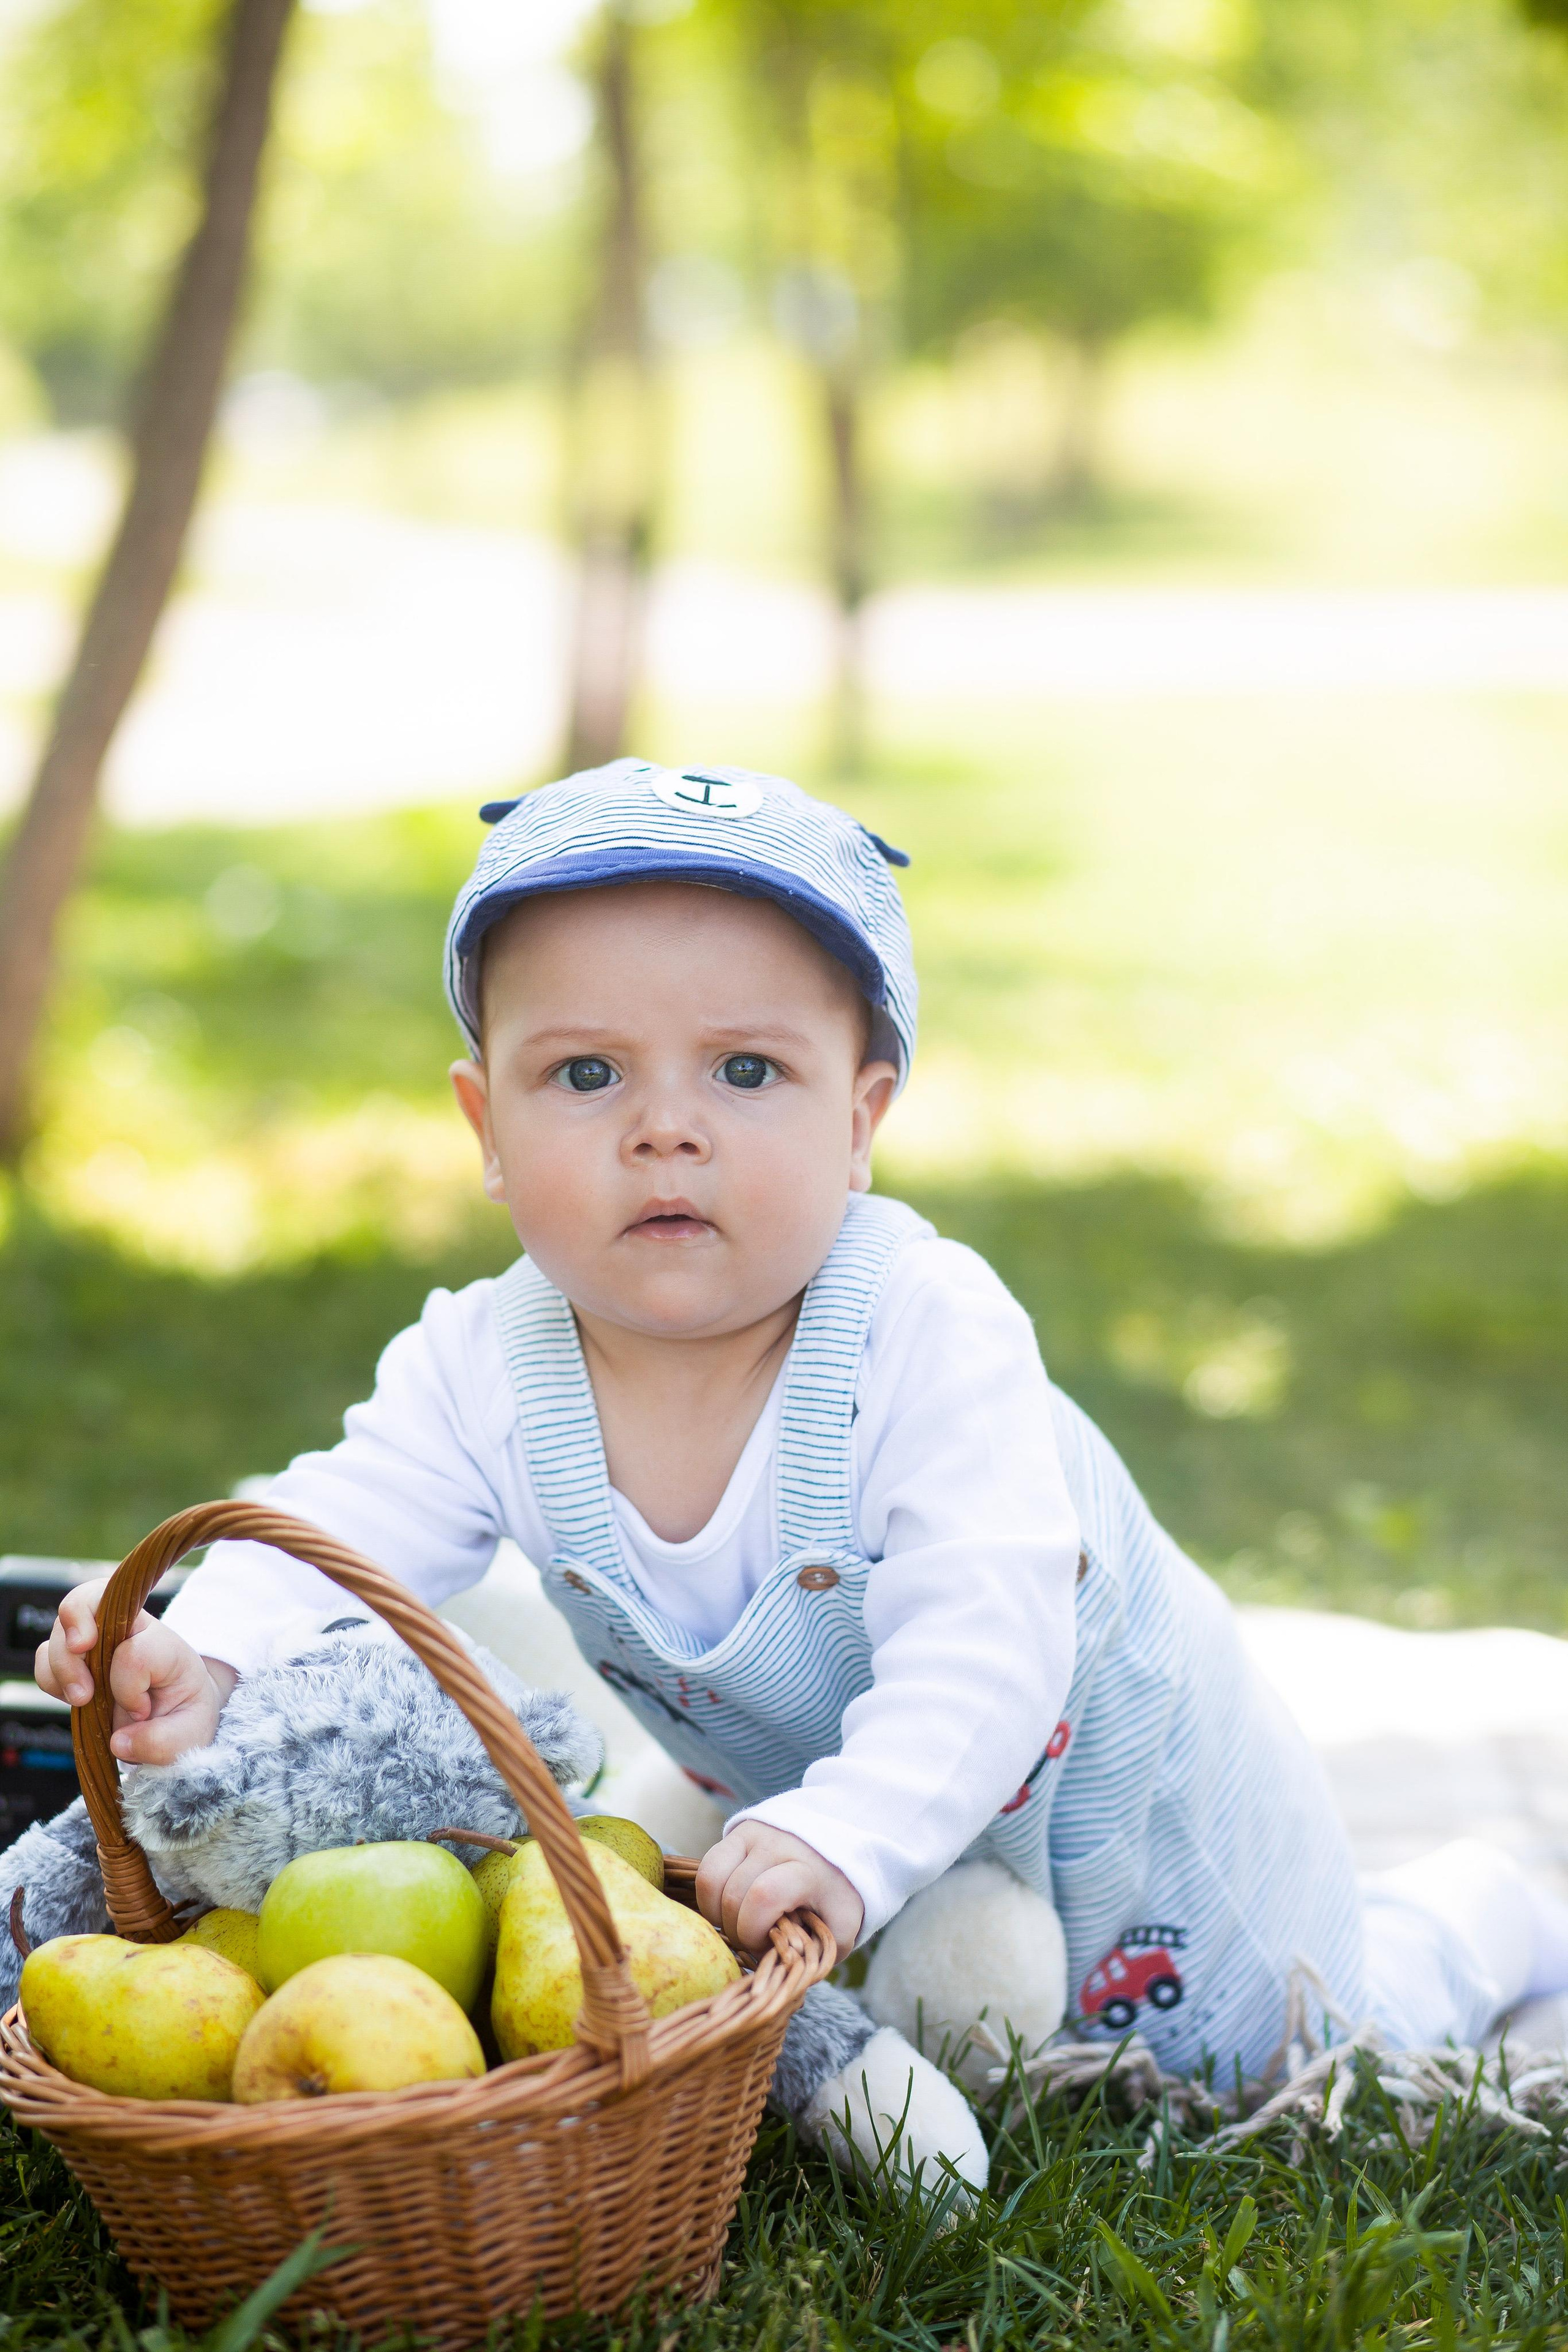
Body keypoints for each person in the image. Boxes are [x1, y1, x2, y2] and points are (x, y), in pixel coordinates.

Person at [37, 758, 1568, 2187]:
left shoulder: (921, 1332)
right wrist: (200, 1646)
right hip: (864, 1830)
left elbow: (987, 1645)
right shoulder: (481, 1366)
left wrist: (846, 1836)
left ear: (861, 1122)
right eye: (583, 1076)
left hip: (1128, 1823)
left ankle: (1485, 1905)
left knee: (1301, 2041)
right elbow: (333, 1518)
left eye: (747, 1071)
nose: (664, 1131)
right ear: (481, 1124)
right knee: (949, 2021)